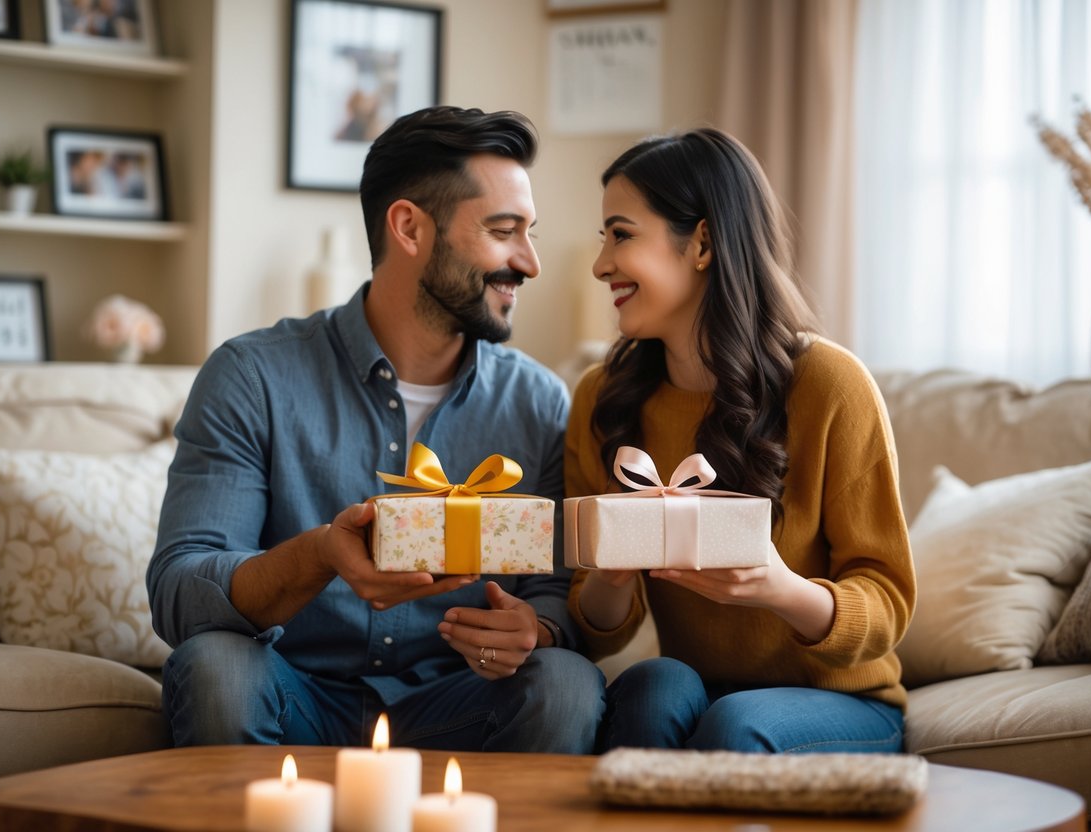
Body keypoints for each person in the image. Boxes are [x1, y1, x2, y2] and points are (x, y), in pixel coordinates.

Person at [148, 106, 605, 753]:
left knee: (564, 683)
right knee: (216, 667)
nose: (529, 262)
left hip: (458, 703)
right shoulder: (250, 375)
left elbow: (556, 591)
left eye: (528, 233)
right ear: (409, 227)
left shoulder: (537, 401)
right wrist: (316, 556)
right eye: (504, 231)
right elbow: (178, 595)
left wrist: (536, 629)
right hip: (294, 693)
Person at [567, 128, 916, 754]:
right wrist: (611, 576)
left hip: (841, 700)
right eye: (604, 239)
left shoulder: (830, 386)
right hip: (703, 687)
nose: (600, 265)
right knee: (651, 686)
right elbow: (596, 633)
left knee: (734, 726)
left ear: (701, 242)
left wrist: (778, 589)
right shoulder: (603, 398)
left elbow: (887, 603)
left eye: (621, 235)